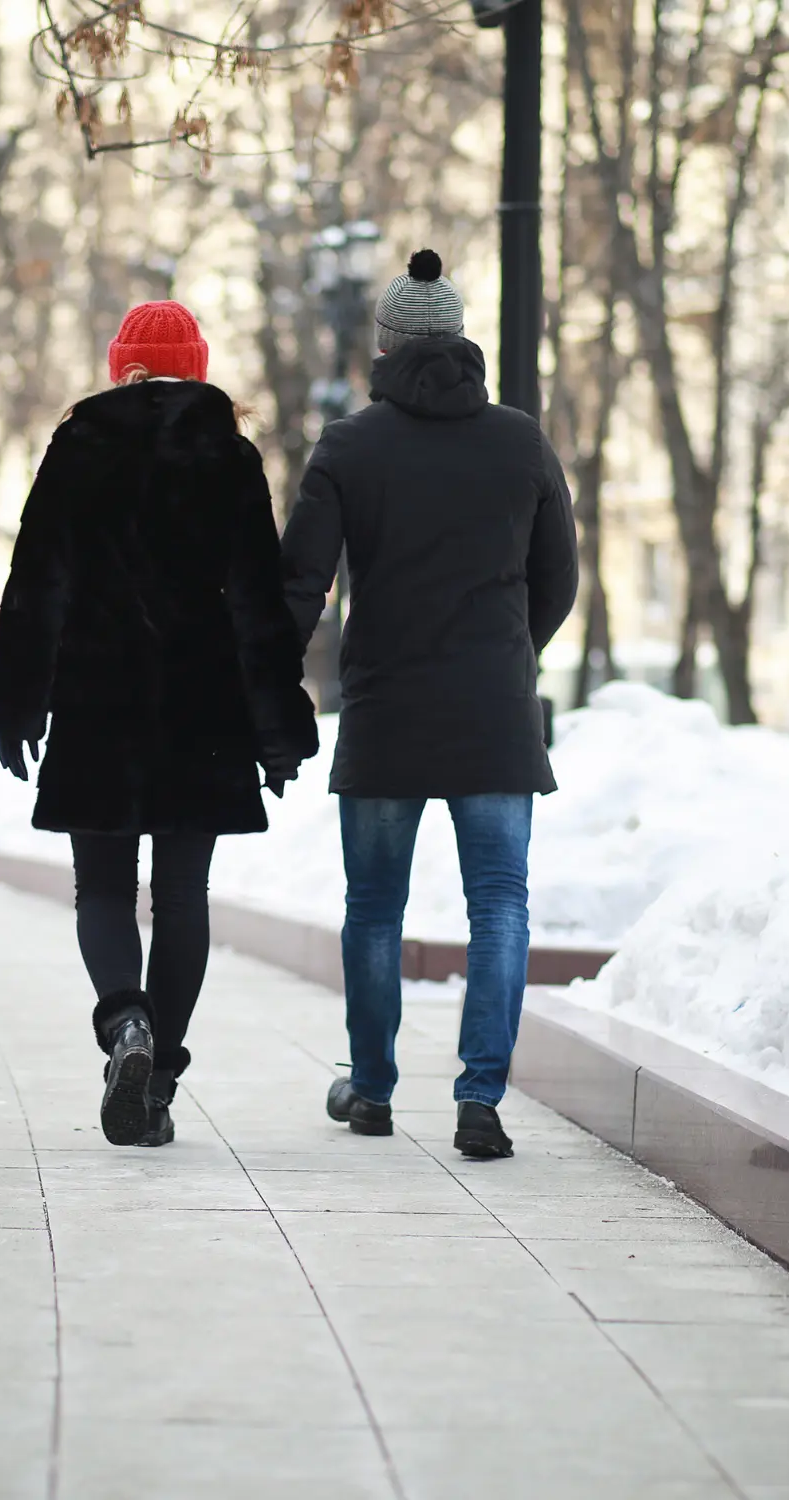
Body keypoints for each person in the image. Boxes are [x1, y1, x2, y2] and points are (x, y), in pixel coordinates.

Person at [0, 300, 318, 1148]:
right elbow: (256, 604)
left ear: (117, 364)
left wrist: (18, 703)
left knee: (100, 887)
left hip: (98, 701)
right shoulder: (230, 456)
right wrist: (277, 727)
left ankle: (123, 1024)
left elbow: (37, 584)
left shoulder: (77, 447)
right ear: (199, 366)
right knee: (180, 896)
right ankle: (159, 1078)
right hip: (202, 710)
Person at [280, 250, 578, 1160]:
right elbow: (558, 579)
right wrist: (511, 655)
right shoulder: (521, 441)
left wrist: (266, 676)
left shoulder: (350, 445)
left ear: (385, 346)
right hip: (492, 710)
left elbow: (302, 581)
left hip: (387, 709)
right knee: (500, 904)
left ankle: (370, 1091)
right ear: (461, 341)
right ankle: (479, 1100)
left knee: (374, 905)